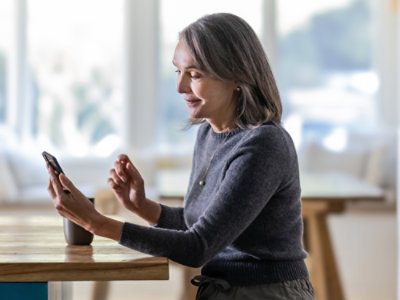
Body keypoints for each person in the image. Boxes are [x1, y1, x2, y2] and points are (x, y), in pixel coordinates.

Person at [47, 13, 315, 300]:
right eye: (179, 72)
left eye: (195, 74)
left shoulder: (264, 145)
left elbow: (198, 246)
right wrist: (143, 206)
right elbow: (200, 224)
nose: (180, 87)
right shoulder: (208, 135)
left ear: (237, 75)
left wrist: (97, 223)